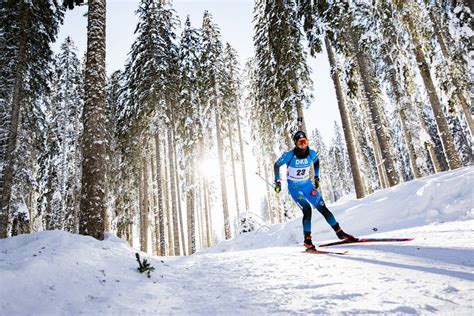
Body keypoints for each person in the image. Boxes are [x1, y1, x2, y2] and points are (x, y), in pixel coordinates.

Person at [274, 130, 356, 250]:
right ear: (296, 143)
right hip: (295, 188)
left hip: (307, 185)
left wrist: (317, 177)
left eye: (305, 142)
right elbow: (277, 165)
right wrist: (277, 181)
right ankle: (307, 240)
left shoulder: (311, 153)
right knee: (307, 210)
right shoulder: (289, 155)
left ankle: (340, 233)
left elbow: (316, 162)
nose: (303, 144)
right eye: (300, 142)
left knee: (323, 208)